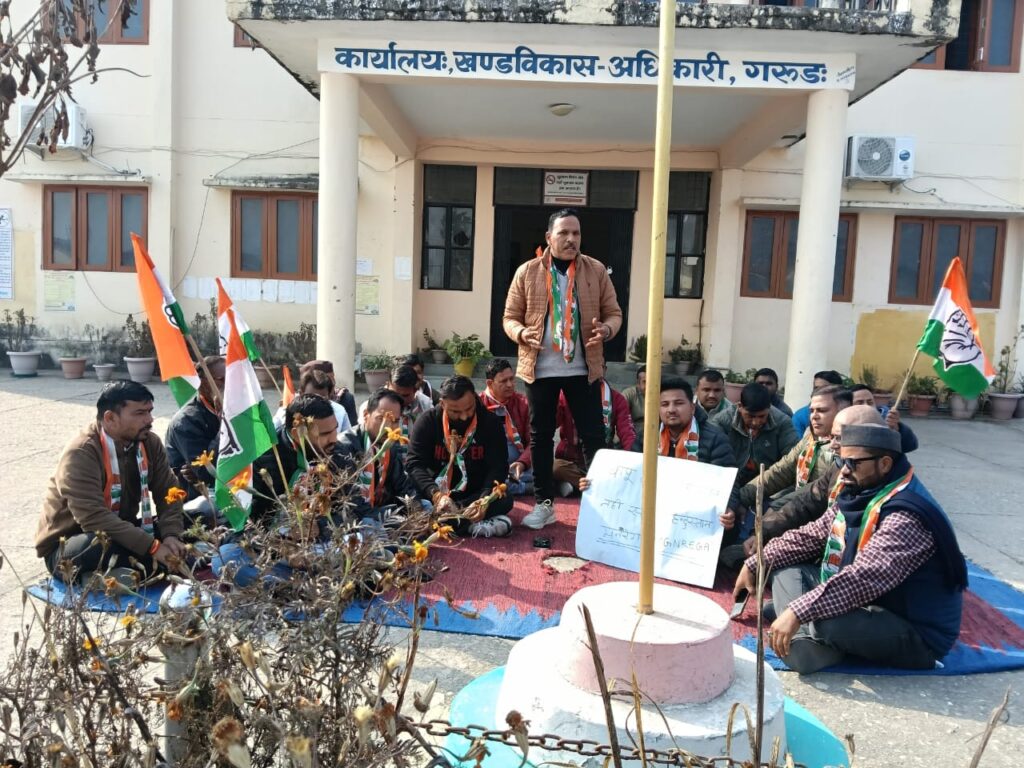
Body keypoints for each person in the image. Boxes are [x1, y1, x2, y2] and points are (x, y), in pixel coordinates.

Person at [733, 423, 967, 673]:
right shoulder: (862, 492)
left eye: (853, 463)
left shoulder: (905, 517)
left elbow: (862, 579)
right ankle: (801, 631)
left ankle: (804, 642)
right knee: (784, 568)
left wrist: (798, 611)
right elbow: (810, 536)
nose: (844, 470)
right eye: (841, 461)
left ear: (884, 464)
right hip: (870, 602)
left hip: (911, 628)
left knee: (825, 621)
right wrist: (756, 562)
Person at [502, 208, 622, 530]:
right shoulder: (527, 272)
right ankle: (545, 504)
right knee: (541, 437)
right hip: (540, 368)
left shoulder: (596, 270)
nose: (571, 239)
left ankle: (599, 506)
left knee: (594, 436)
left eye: (576, 233)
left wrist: (607, 330)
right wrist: (521, 333)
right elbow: (509, 317)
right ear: (549, 237)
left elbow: (614, 313)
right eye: (563, 233)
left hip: (584, 368)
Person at [36, 381, 186, 580]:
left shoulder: (149, 442)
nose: (149, 420)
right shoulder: (81, 452)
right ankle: (122, 575)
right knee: (100, 546)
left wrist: (171, 535)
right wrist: (153, 547)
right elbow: (93, 518)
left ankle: (142, 569)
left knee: (195, 520)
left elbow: (168, 491)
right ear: (110, 418)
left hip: (122, 530)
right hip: (75, 543)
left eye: (149, 411)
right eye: (139, 413)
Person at [405, 375, 514, 538]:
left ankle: (445, 523)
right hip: (435, 493)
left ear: (475, 399)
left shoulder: (490, 422)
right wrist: (436, 495)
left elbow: (498, 466)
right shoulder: (427, 421)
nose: (464, 416)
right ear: (442, 404)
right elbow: (414, 464)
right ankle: (470, 524)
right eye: (455, 411)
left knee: (505, 498)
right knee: (409, 499)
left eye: (469, 409)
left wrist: (484, 499)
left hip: (474, 494)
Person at [631, 377, 738, 533]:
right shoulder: (646, 437)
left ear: (692, 408)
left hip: (696, 521)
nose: (671, 410)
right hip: (655, 515)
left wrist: (729, 507)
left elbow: (730, 481)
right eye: (664, 404)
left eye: (679, 403)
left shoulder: (715, 438)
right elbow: (631, 476)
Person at [734, 385, 852, 513]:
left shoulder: (851, 447)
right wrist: (740, 498)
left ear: (843, 412)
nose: (814, 416)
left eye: (822, 410)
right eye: (812, 411)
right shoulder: (811, 439)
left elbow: (818, 491)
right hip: (801, 506)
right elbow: (782, 471)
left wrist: (777, 509)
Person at [337, 388, 419, 521]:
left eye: (394, 421)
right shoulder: (345, 446)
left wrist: (417, 511)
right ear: (366, 415)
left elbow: (403, 486)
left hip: (380, 509)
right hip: (354, 517)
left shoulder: (389, 443)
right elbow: (354, 506)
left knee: (425, 506)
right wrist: (397, 521)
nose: (388, 427)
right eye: (381, 419)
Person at [554, 367, 636, 497]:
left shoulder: (617, 398)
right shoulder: (565, 395)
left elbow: (627, 432)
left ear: (604, 370)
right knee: (555, 467)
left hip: (602, 461)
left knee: (621, 473)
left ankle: (578, 487)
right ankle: (599, 486)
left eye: (597, 366)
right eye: (587, 368)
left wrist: (634, 460)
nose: (591, 372)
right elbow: (552, 423)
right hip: (571, 461)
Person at [711, 383, 800, 493]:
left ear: (769, 408)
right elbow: (713, 462)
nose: (756, 422)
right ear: (739, 407)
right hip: (728, 483)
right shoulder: (722, 422)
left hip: (770, 485)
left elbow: (792, 461)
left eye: (762, 416)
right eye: (750, 416)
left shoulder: (782, 423)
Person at [165, 355, 224, 499]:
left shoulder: (239, 409)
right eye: (221, 380)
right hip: (200, 500)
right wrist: (226, 423)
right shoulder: (185, 422)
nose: (230, 385)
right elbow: (207, 474)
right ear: (202, 383)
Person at [480, 359, 534, 496]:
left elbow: (534, 440)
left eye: (512, 379)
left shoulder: (524, 403)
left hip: (520, 467)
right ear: (490, 383)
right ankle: (526, 488)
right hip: (490, 466)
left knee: (544, 466)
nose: (510, 384)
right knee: (483, 477)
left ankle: (510, 485)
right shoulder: (478, 406)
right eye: (504, 381)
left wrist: (522, 463)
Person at [360, 364, 434, 444]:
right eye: (394, 393)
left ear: (415, 390)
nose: (399, 400)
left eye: (405, 395)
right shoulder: (371, 408)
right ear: (388, 385)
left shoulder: (426, 406)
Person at [273, 368, 352, 433]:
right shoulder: (286, 412)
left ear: (329, 396)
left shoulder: (340, 412)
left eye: (322, 398)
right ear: (301, 394)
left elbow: (347, 441)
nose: (316, 403)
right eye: (311, 397)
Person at [850, 384, 918, 453]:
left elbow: (910, 446)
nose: (867, 406)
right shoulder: (845, 425)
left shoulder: (887, 421)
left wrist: (897, 429)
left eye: (870, 402)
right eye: (860, 403)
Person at [299, 359, 358, 426]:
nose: (333, 382)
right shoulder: (296, 410)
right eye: (327, 378)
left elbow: (352, 429)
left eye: (333, 377)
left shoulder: (342, 406)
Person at [791, 370, 844, 436]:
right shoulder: (800, 416)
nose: (814, 416)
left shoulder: (849, 419)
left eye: (822, 410)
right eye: (816, 388)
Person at [621, 365, 646, 431]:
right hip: (633, 430)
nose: (649, 385)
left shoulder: (662, 394)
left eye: (652, 382)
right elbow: (621, 418)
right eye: (645, 382)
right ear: (638, 383)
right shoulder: (628, 394)